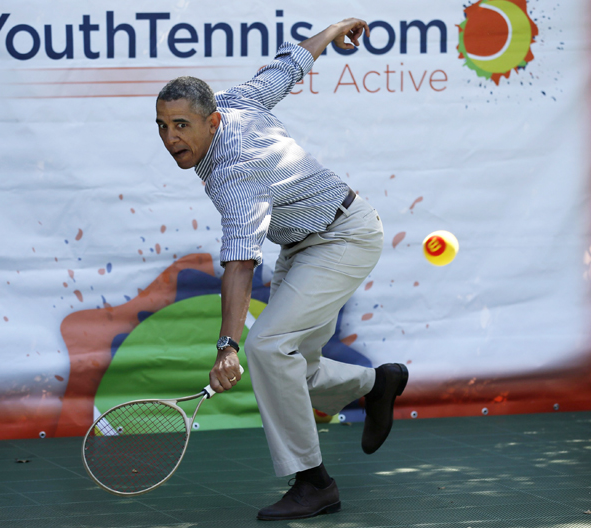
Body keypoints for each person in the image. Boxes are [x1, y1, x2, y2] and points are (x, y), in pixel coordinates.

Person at [155, 17, 408, 521]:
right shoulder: (236, 101)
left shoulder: (234, 175)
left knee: (266, 346)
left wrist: (228, 345)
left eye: (181, 126)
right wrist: (333, 31)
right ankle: (376, 385)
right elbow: (292, 64)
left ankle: (314, 482)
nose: (170, 138)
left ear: (211, 121)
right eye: (162, 126)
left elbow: (241, 264)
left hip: (344, 237)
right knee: (296, 367)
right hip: (302, 243)